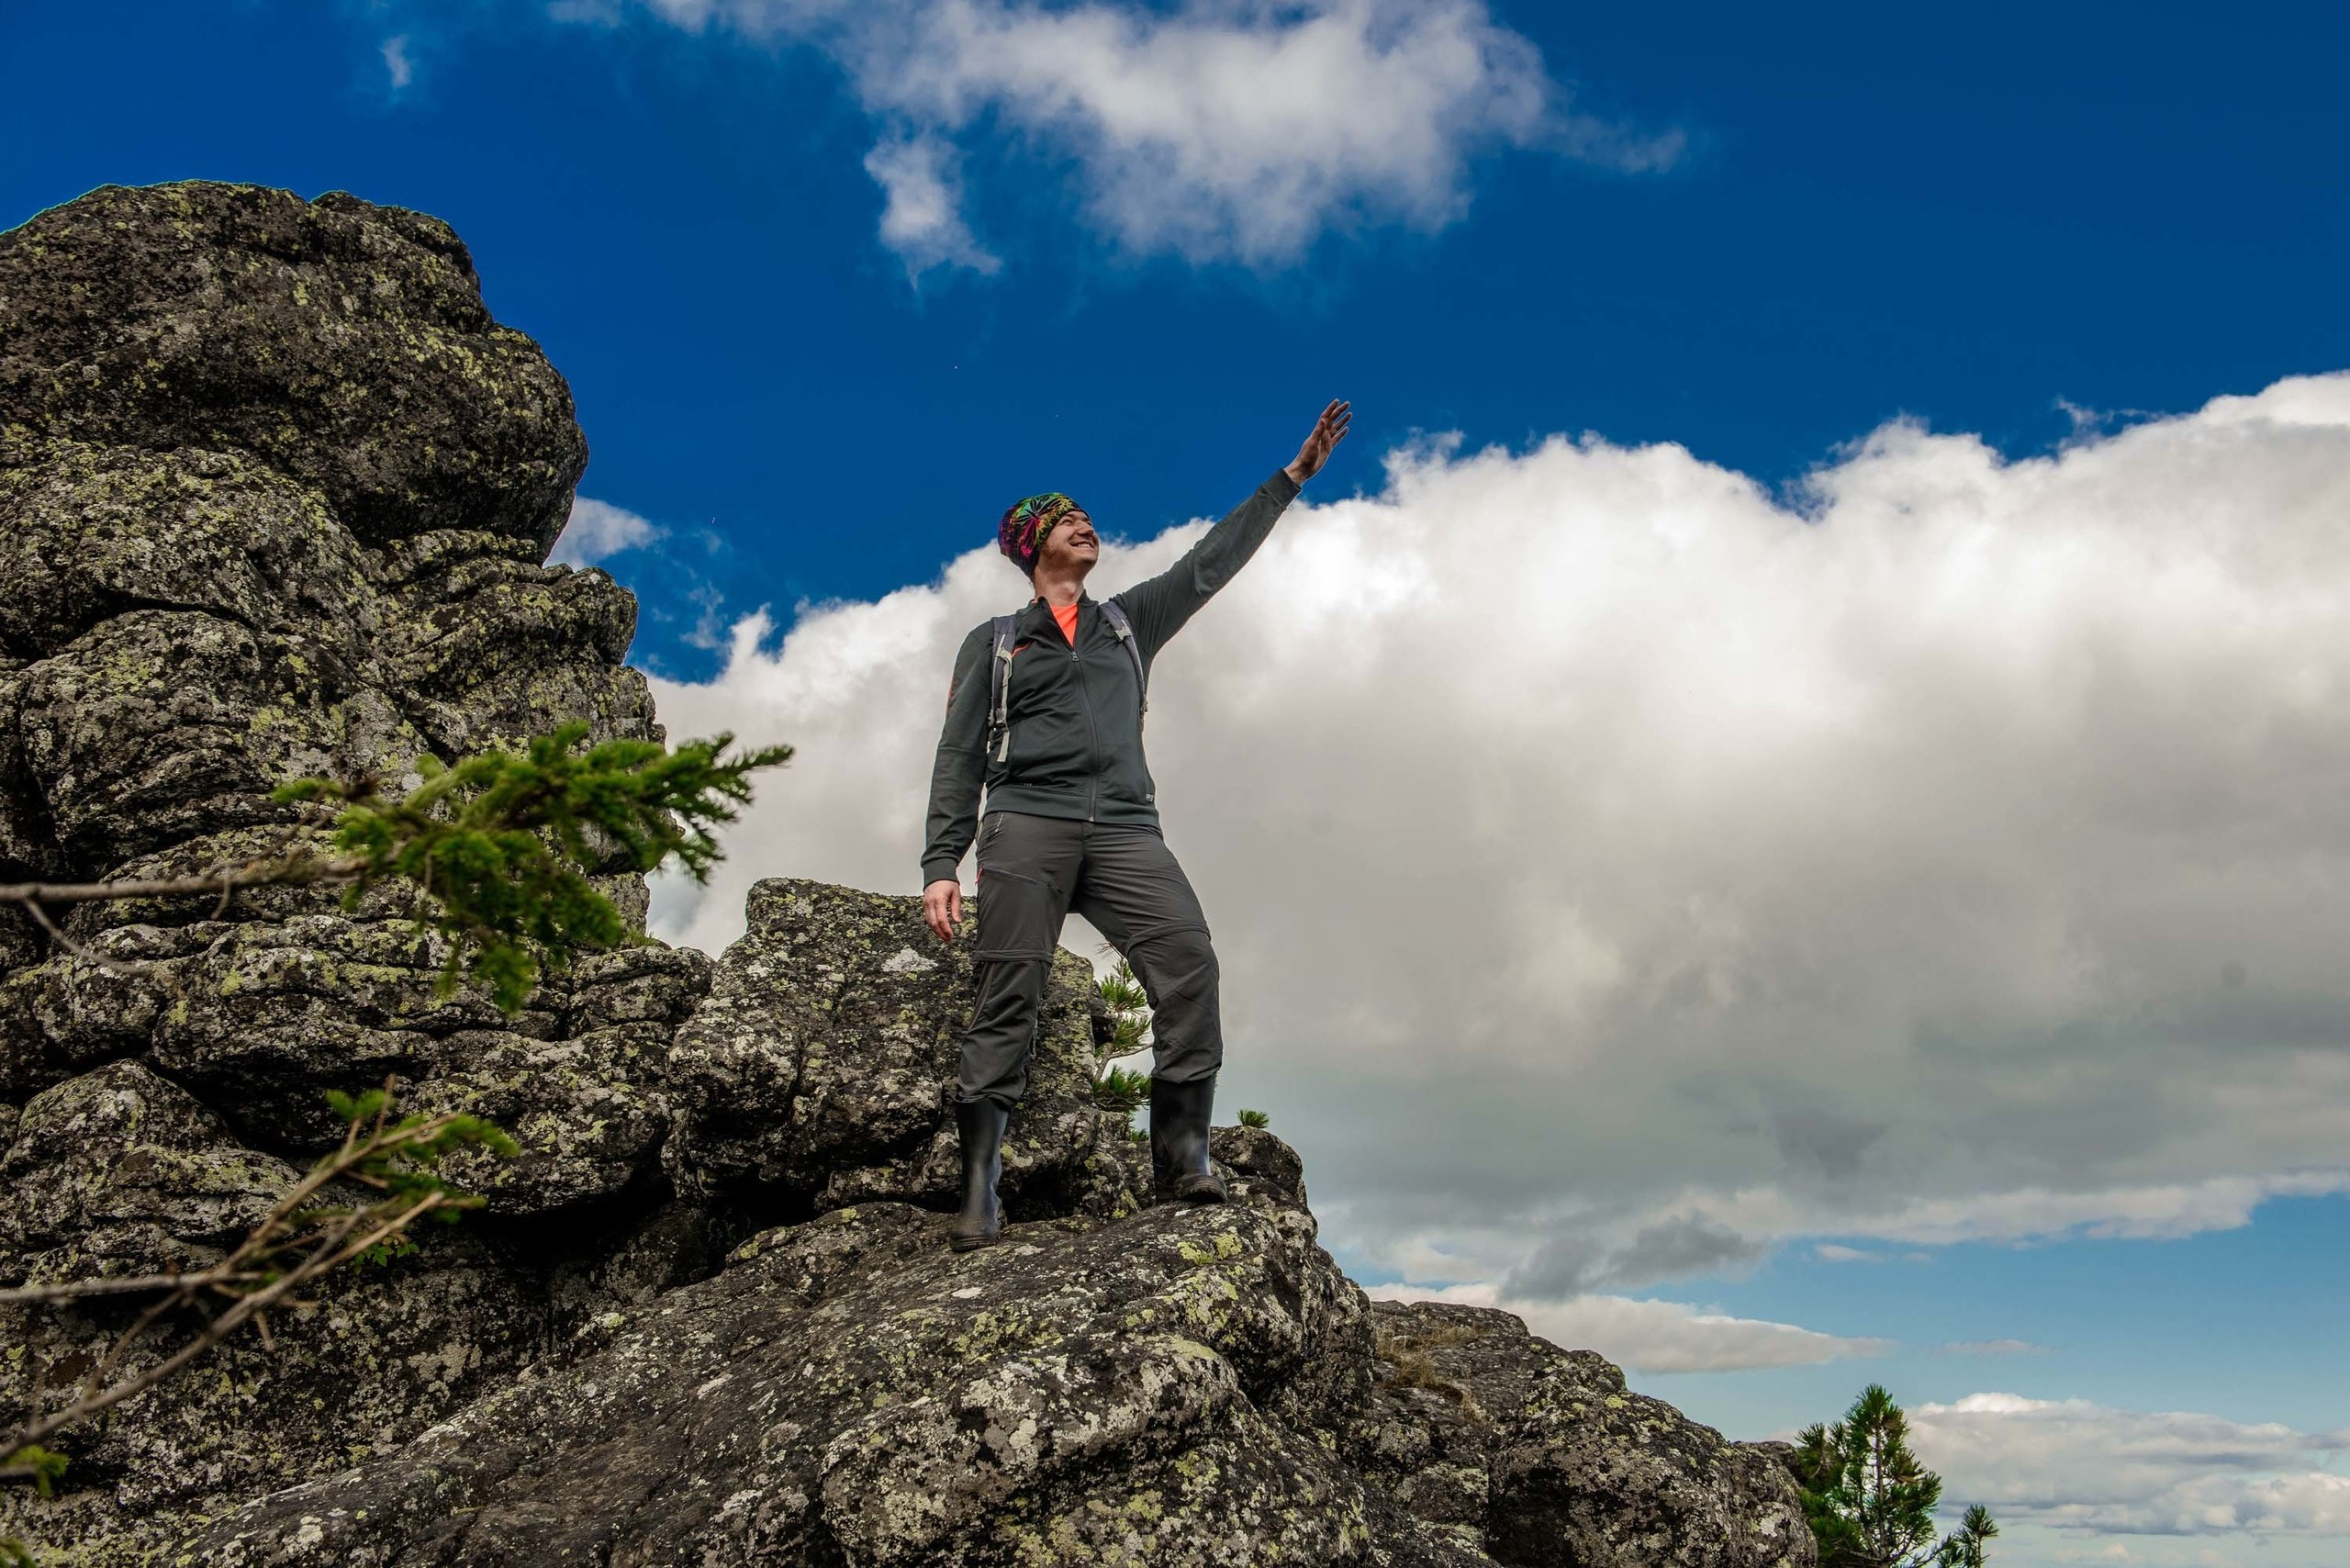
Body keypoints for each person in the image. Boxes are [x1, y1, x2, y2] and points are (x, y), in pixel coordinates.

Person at [921, 399, 1352, 1250]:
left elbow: (1209, 563)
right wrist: (943, 859)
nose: (1085, 525)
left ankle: (1181, 1160)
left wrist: (1291, 479)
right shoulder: (998, 641)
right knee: (1011, 990)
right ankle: (979, 1192)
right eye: (1065, 520)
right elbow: (958, 751)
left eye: (1085, 517)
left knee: (1190, 963)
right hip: (1025, 825)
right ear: (1031, 546)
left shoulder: (1128, 624)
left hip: (1124, 830)